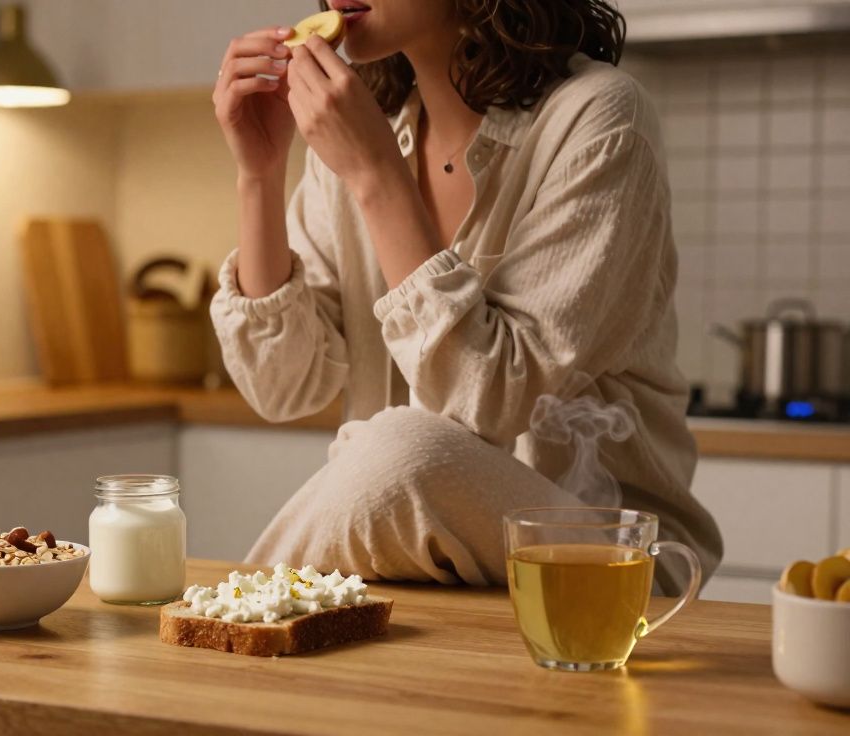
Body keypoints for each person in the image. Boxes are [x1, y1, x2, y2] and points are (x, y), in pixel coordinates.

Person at [210, 0, 722, 590]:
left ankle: (231, 615)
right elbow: (283, 386)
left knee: (401, 447)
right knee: (393, 451)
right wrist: (260, 172)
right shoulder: (363, 134)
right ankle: (237, 618)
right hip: (413, 568)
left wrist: (376, 175)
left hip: (602, 564)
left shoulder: (600, 117)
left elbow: (493, 399)